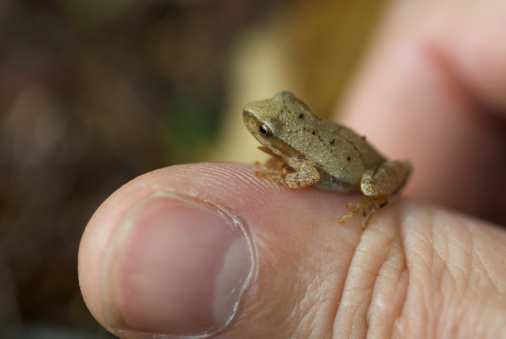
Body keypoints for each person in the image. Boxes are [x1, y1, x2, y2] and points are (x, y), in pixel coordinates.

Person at [78, 0, 506, 337]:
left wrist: (284, 176)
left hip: (363, 172)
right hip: (343, 149)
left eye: (265, 129)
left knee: (372, 183)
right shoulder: (292, 142)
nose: (258, 126)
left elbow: (312, 175)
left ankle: (379, 201)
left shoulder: (302, 158)